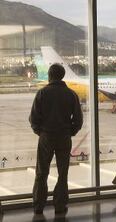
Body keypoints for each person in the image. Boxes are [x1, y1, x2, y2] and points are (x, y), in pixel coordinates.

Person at [29, 63, 83, 215]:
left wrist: (40, 132)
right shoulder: (71, 94)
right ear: (62, 76)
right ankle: (60, 205)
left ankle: (38, 205)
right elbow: (78, 119)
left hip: (46, 136)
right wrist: (70, 132)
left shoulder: (42, 93)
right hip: (64, 137)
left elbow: (33, 118)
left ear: (50, 75)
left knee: (41, 172)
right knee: (63, 173)